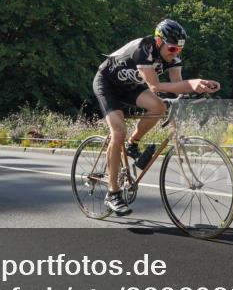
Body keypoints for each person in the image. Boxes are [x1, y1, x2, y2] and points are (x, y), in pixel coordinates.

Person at [92, 19, 219, 216]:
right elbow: (156, 87)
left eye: (179, 49)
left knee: (158, 107)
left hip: (130, 87)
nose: (175, 53)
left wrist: (199, 88)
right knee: (118, 132)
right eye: (172, 48)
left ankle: (132, 144)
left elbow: (178, 85)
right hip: (107, 84)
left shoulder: (173, 57)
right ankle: (113, 193)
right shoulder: (144, 48)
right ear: (159, 41)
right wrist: (191, 84)